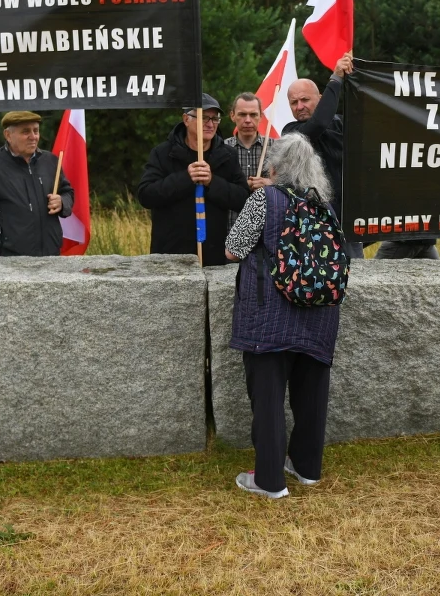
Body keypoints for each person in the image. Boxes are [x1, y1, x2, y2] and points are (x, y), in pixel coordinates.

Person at [225, 133, 342, 498]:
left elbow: (233, 249)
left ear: (274, 165)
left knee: (269, 395)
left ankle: (269, 481)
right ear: (313, 170)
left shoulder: (265, 198)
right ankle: (306, 468)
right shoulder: (324, 204)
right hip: (320, 313)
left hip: (269, 314)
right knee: (311, 395)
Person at [137, 94, 249, 266]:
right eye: (204, 117)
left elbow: (242, 199)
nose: (210, 124)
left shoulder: (227, 155)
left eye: (215, 118)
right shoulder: (163, 153)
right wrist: (185, 178)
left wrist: (212, 182)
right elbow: (146, 195)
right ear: (186, 119)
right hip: (171, 255)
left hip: (214, 255)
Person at [0, 111, 75, 256]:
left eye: (36, 131)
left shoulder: (51, 162)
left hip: (51, 256)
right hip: (9, 262)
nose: (33, 137)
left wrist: (62, 202)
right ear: (8, 135)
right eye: (25, 132)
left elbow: (67, 192)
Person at [283, 51, 361, 257]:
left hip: (348, 224)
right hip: (313, 228)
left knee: (357, 284)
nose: (299, 107)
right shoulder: (291, 133)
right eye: (294, 102)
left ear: (320, 97)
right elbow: (318, 124)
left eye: (305, 100)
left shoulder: (343, 124)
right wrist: (336, 79)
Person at [224, 92, 272, 227]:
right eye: (242, 114)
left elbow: (290, 185)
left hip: (267, 228)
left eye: (253, 115)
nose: (248, 120)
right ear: (232, 116)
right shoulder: (221, 149)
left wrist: (270, 183)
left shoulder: (276, 148)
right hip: (231, 226)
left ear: (261, 116)